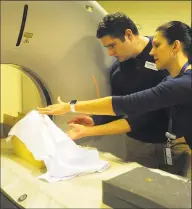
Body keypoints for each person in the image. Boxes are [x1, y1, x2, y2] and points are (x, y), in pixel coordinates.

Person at [38, 20, 192, 178]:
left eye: (157, 45)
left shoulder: (182, 83)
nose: (152, 52)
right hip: (144, 142)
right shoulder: (170, 80)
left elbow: (128, 104)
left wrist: (71, 107)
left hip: (171, 144)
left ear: (175, 46)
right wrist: (94, 121)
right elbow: (127, 105)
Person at [67, 13, 171, 168]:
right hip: (135, 142)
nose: (110, 53)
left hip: (165, 144)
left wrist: (88, 132)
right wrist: (95, 120)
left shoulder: (161, 58)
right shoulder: (118, 69)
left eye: (112, 45)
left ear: (128, 34)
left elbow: (147, 115)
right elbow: (119, 105)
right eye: (107, 47)